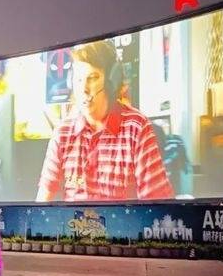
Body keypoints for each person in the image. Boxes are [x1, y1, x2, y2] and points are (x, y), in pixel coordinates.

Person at [36, 40, 174, 202]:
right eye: (78, 79)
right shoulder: (62, 133)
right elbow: (43, 200)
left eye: (92, 78)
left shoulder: (137, 128)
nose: (83, 89)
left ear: (111, 82)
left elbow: (158, 205)